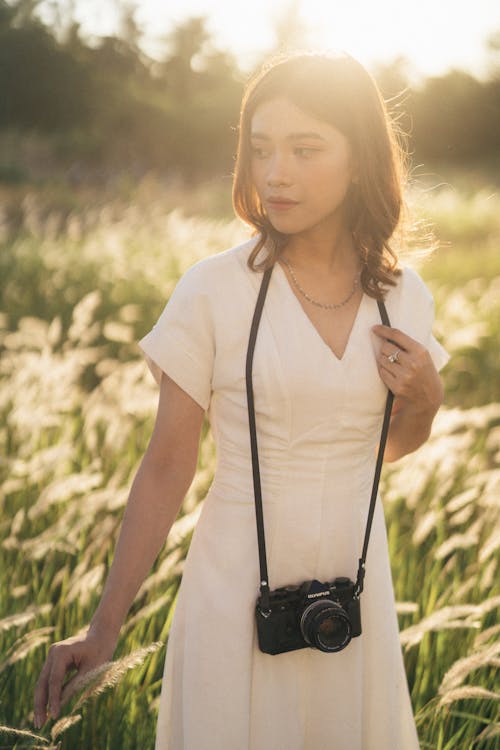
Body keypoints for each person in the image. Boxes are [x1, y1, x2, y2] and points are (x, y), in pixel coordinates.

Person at [34, 51, 449, 749]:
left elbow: (378, 451)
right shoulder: (214, 289)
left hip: (353, 596)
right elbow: (168, 464)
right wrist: (104, 626)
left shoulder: (403, 296)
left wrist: (427, 402)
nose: (275, 172)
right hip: (236, 592)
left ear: (360, 159)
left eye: (304, 148)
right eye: (260, 149)